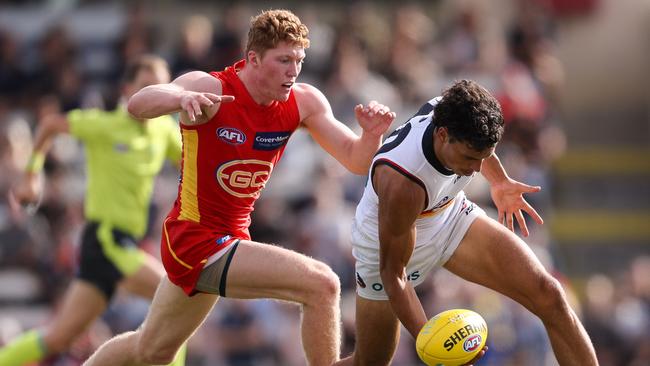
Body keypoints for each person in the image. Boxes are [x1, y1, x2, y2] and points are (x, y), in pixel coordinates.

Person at [83, 9, 395, 366]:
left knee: (151, 350)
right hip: (195, 238)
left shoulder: (302, 102)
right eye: (283, 60)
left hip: (227, 240)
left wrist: (371, 135)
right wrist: (178, 100)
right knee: (322, 285)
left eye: (299, 60)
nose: (293, 70)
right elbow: (139, 103)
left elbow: (355, 159)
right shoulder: (212, 88)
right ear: (253, 59)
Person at [337, 80, 599, 366]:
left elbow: (481, 149)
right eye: (469, 158)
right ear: (442, 135)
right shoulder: (403, 181)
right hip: (384, 253)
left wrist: (499, 181)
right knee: (369, 363)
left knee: (550, 295)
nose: (476, 169)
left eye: (483, 158)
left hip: (447, 216)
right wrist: (433, 342)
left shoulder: (458, 116)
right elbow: (394, 275)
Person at [1, 55, 187, 366]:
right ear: (128, 89)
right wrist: (32, 176)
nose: (155, 94)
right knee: (177, 299)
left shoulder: (162, 131)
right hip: (105, 239)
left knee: (59, 337)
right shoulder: (106, 124)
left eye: (161, 88)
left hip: (121, 244)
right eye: (146, 86)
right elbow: (49, 125)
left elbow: (192, 164)